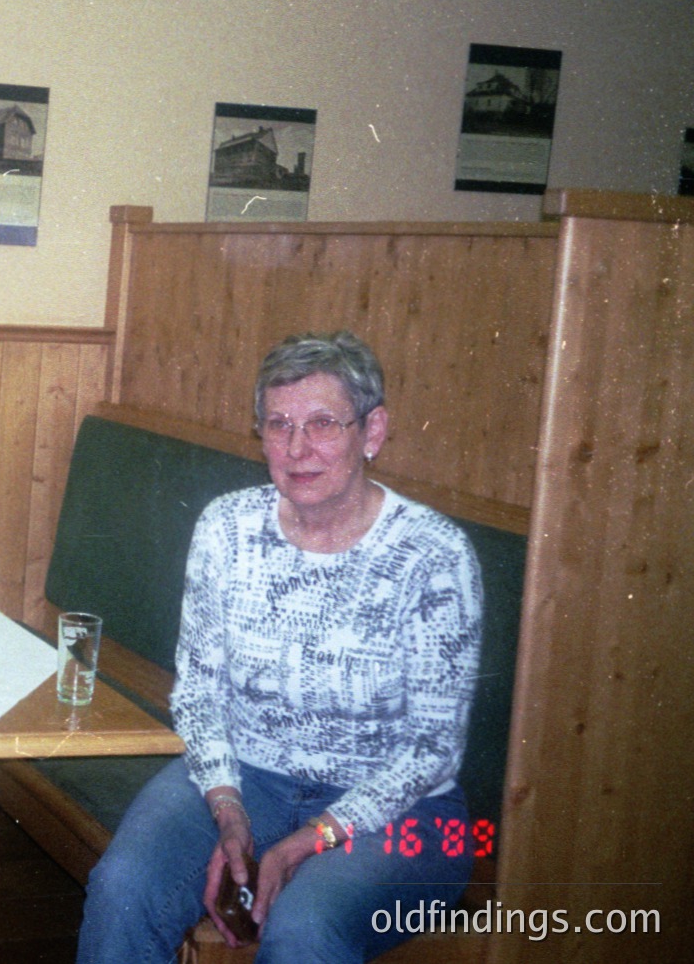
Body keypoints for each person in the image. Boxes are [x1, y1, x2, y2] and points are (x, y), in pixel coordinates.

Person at [77, 331, 483, 964]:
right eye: (279, 425)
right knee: (123, 887)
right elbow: (199, 693)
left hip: (405, 814)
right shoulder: (227, 528)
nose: (297, 449)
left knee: (304, 926)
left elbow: (431, 749)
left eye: (322, 424)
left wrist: (306, 841)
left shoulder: (433, 555)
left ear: (372, 431)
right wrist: (227, 809)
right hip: (250, 776)